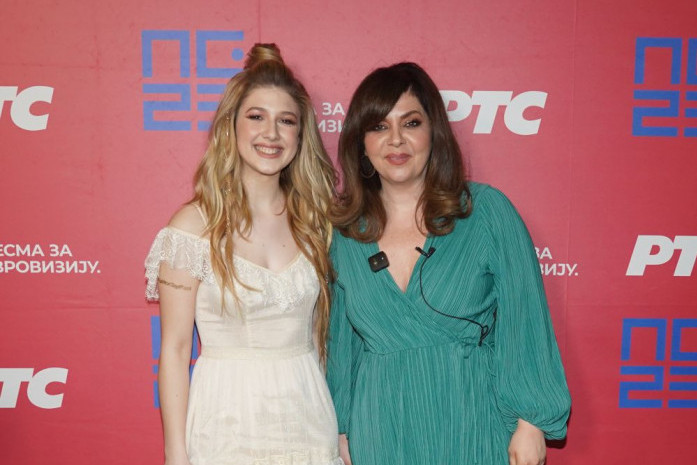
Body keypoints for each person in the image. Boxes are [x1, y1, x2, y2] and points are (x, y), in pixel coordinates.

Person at [326, 62, 571, 465]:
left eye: (411, 122)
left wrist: (531, 422)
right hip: (380, 429)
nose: (396, 139)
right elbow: (341, 344)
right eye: (379, 126)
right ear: (361, 144)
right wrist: (339, 429)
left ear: (433, 132)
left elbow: (524, 318)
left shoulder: (485, 212)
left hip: (472, 421)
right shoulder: (346, 234)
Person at [145, 43, 342, 465]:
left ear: (300, 135)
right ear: (230, 127)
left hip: (308, 421)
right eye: (256, 117)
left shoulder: (317, 223)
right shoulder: (192, 227)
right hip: (225, 425)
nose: (271, 133)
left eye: (286, 120)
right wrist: (176, 454)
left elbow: (318, 339)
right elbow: (175, 350)